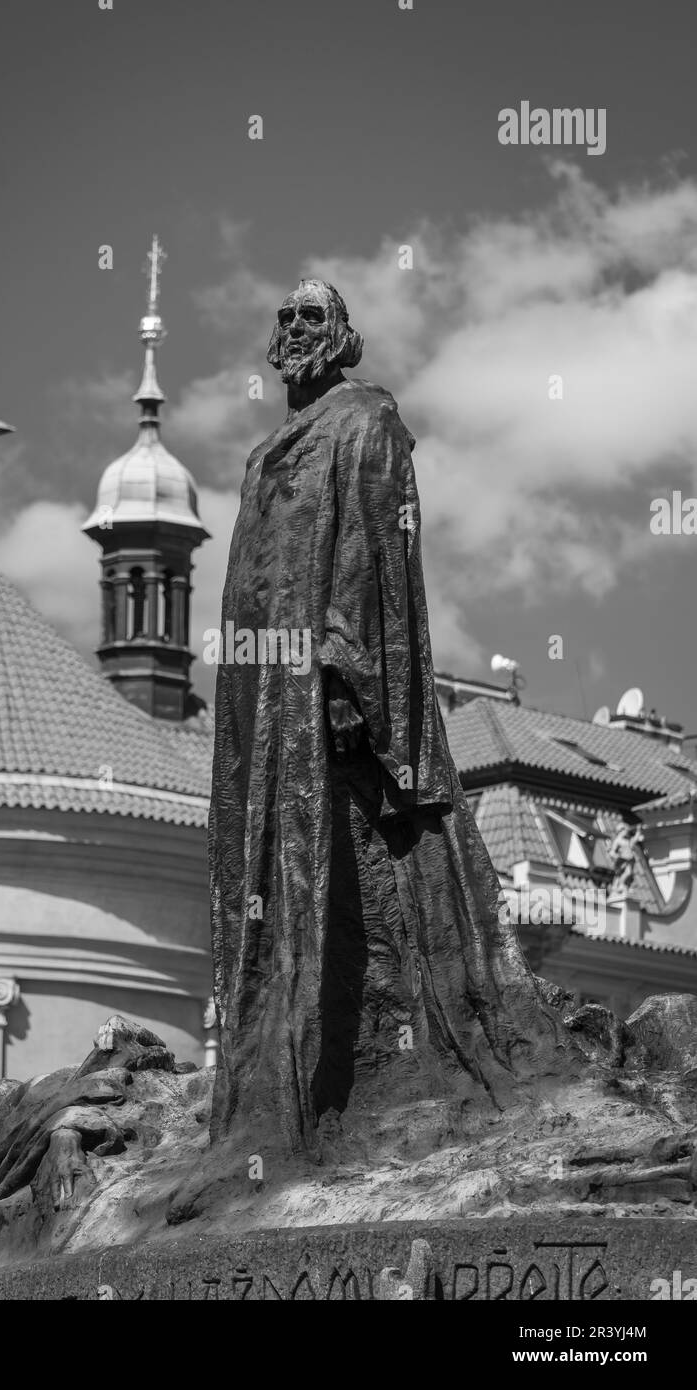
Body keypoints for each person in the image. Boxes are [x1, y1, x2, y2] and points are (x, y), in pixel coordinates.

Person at [209, 279, 569, 1153]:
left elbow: (373, 553)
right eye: (284, 317)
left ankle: (334, 1090)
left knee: (347, 869)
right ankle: (262, 1087)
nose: (294, 330)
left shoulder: (365, 420)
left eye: (311, 318)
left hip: (318, 684)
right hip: (258, 696)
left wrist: (345, 673)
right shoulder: (265, 452)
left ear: (342, 336)